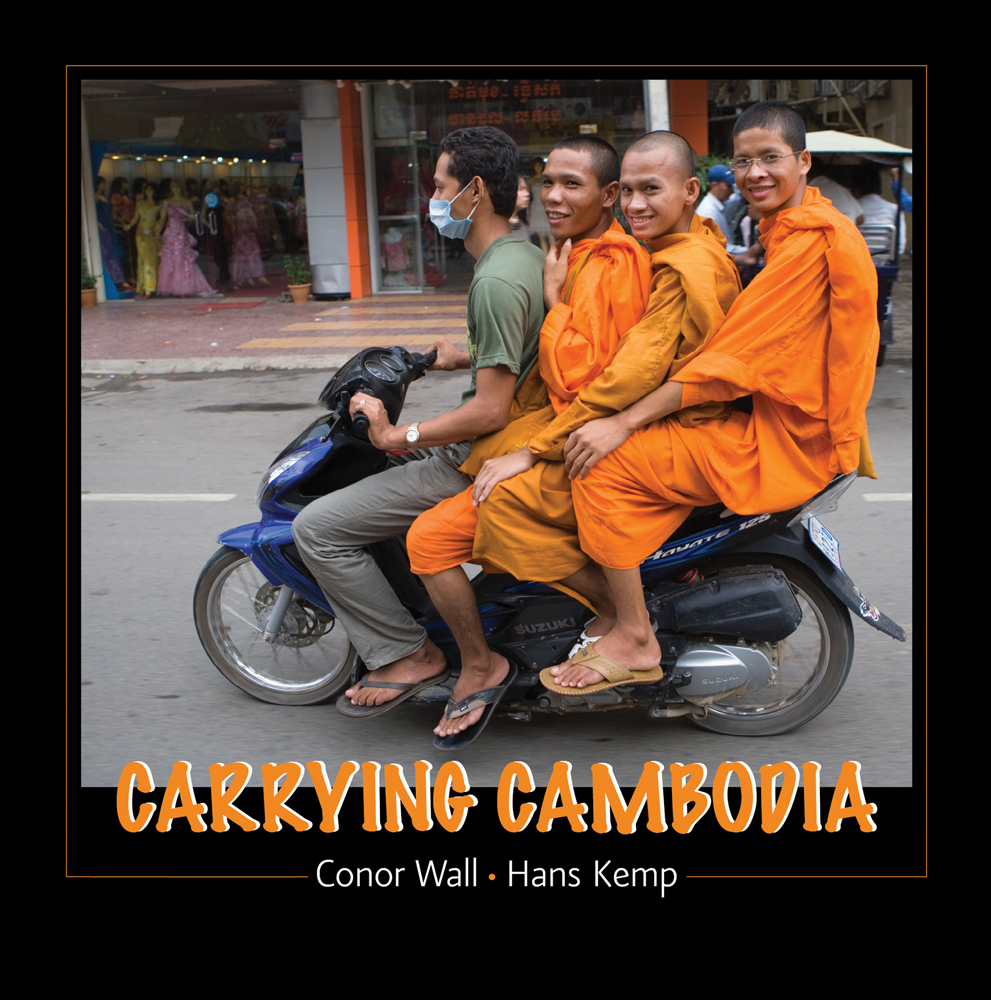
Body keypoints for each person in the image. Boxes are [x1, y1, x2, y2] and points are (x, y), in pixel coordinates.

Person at [406, 130, 742, 745]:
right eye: (549, 181)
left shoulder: (616, 263)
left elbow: (593, 377)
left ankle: (616, 623)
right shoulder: (574, 252)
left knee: (465, 522)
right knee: (453, 523)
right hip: (577, 423)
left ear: (606, 194)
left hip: (602, 432)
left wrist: (556, 312)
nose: (553, 196)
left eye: (572, 184)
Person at [548, 101, 879, 692]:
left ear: (803, 161)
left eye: (770, 158)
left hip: (788, 439)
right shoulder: (799, 224)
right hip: (784, 417)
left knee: (602, 465)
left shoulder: (809, 242)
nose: (754, 173)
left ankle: (632, 634)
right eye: (744, 159)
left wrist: (620, 423)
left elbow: (727, 365)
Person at [291, 126, 546, 724]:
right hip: (504, 440)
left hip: (475, 457)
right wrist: (454, 356)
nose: (431, 200)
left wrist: (390, 434)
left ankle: (408, 654)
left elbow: (490, 410)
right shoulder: (522, 255)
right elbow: (517, 353)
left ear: (475, 190)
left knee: (318, 528)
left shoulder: (495, 280)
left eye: (439, 186)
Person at [696, 163, 760, 268]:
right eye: (728, 186)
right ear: (714, 185)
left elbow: (738, 195)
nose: (731, 190)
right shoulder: (708, 213)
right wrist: (750, 251)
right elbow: (719, 249)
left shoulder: (724, 202)